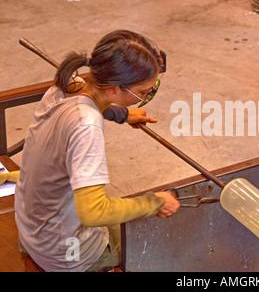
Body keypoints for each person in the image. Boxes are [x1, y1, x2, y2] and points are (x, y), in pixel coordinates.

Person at [13, 29, 180, 272]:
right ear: (114, 88)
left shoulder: (68, 84)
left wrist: (122, 114)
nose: (142, 98)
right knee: (151, 245)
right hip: (63, 252)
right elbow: (93, 211)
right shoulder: (86, 127)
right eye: (142, 94)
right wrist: (155, 202)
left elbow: (91, 102)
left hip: (31, 228)